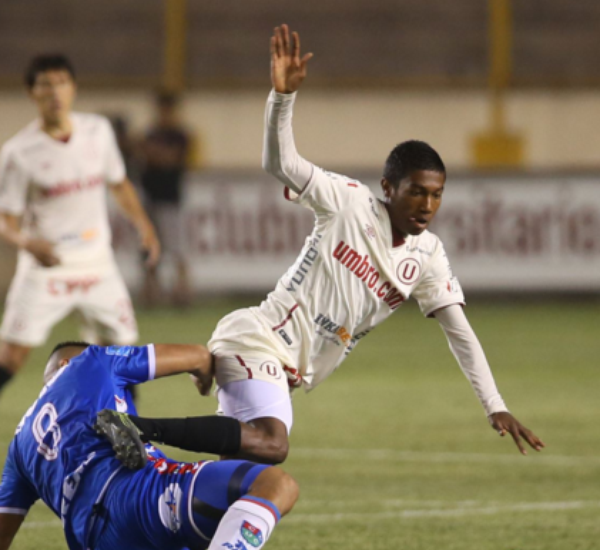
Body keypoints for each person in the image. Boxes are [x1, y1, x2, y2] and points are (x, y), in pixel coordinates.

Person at [99, 24, 544, 468]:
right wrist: (282, 99)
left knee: (234, 489)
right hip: (259, 340)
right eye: (416, 192)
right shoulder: (349, 201)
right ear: (388, 187)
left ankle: (145, 501)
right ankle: (136, 428)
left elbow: (460, 333)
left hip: (283, 369)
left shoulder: (427, 256)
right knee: (273, 444)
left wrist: (494, 404)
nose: (427, 204)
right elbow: (280, 163)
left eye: (436, 194)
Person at [0, 341, 326, 550]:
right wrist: (203, 376)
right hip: (140, 497)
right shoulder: (91, 360)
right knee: (276, 485)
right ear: (65, 364)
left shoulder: (18, 449)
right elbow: (198, 356)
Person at [0, 54, 161, 399]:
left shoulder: (97, 132)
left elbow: (119, 184)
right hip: (47, 267)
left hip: (97, 263)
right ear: (32, 93)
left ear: (73, 88)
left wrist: (144, 226)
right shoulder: (18, 153)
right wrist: (28, 243)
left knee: (123, 355)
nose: (54, 92)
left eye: (61, 82)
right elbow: (6, 222)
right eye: (45, 84)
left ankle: (126, 435)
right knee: (11, 358)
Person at [139, 90, 196, 307]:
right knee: (149, 250)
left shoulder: (180, 135)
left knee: (176, 248)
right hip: (149, 199)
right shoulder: (151, 133)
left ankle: (183, 292)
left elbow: (169, 159)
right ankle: (151, 294)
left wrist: (151, 152)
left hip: (171, 201)